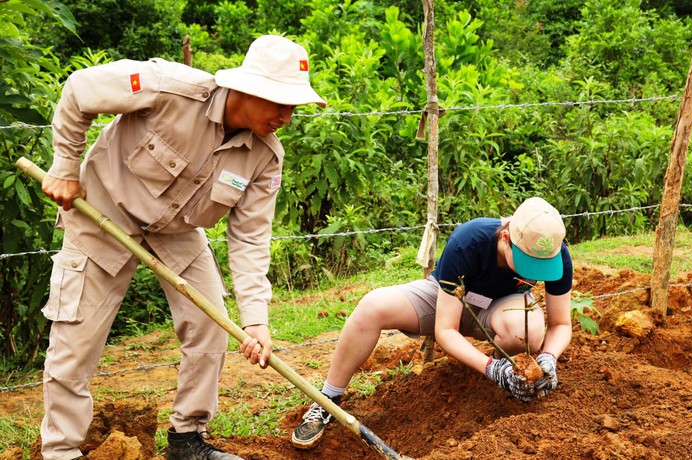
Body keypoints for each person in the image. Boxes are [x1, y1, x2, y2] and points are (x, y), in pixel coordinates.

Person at [39, 35, 326, 460]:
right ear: (247, 89)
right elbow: (80, 89)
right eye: (279, 103)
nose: (287, 116)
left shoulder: (265, 156)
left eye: (294, 106)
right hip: (104, 213)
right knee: (76, 337)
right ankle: (61, 451)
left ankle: (187, 438)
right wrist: (65, 167)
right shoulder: (168, 87)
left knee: (211, 323)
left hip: (177, 231)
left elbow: (249, 239)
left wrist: (256, 321)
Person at [291, 197, 574, 449]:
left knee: (528, 331)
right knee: (371, 307)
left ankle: (507, 379)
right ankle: (327, 400)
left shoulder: (554, 254)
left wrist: (548, 358)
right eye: (526, 261)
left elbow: (561, 324)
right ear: (505, 237)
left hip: (502, 308)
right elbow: (445, 329)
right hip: (447, 300)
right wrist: (491, 367)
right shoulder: (470, 240)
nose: (534, 270)